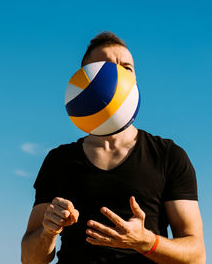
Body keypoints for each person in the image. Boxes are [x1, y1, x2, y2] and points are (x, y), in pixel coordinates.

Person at [21, 31, 206, 264]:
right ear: (84, 79)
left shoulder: (168, 155)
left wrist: (146, 242)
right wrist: (48, 232)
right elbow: (30, 259)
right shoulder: (59, 160)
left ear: (135, 80)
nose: (117, 73)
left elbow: (196, 255)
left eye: (126, 67)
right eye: (105, 66)